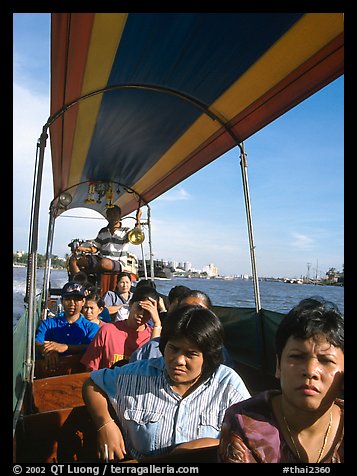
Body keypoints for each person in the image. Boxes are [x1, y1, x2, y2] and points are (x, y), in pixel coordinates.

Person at [82, 305, 251, 461]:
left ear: (207, 356)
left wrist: (204, 446)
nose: (179, 360)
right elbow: (92, 383)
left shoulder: (228, 386)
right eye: (173, 349)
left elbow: (251, 439)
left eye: (190, 354)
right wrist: (104, 424)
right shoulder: (137, 375)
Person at [217, 296, 344, 463]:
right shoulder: (244, 423)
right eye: (297, 357)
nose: (311, 371)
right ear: (278, 366)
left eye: (326, 360)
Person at [129, 287, 234, 368]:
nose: (191, 314)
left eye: (199, 311)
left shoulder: (219, 353)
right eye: (185, 309)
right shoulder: (151, 349)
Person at [80, 286, 161, 370]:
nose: (141, 314)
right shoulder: (108, 331)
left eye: (147, 312)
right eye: (139, 308)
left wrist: (157, 324)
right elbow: (91, 367)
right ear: (130, 305)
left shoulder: (153, 337)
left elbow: (154, 370)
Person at [35, 282, 100, 371]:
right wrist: (48, 351)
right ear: (62, 301)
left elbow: (91, 348)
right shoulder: (48, 324)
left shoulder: (92, 328)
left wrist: (66, 347)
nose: (72, 303)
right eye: (68, 299)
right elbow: (37, 343)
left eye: (77, 299)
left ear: (83, 302)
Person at [68, 205, 141, 277]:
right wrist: (80, 248)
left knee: (103, 263)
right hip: (101, 259)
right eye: (110, 215)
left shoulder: (126, 231)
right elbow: (95, 248)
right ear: (107, 217)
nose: (113, 217)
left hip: (118, 263)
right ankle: (79, 284)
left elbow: (137, 235)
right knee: (74, 260)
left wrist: (138, 220)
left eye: (115, 214)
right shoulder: (103, 231)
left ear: (119, 215)